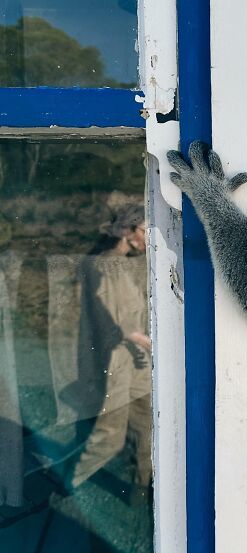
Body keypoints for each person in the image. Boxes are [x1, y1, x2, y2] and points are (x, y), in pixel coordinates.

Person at [69, 204, 152, 497]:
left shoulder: (126, 265)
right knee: (110, 436)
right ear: (128, 231)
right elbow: (109, 322)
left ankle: (144, 492)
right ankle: (70, 487)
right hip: (117, 361)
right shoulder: (104, 264)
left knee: (147, 429)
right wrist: (144, 339)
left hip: (138, 361)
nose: (148, 239)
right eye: (144, 231)